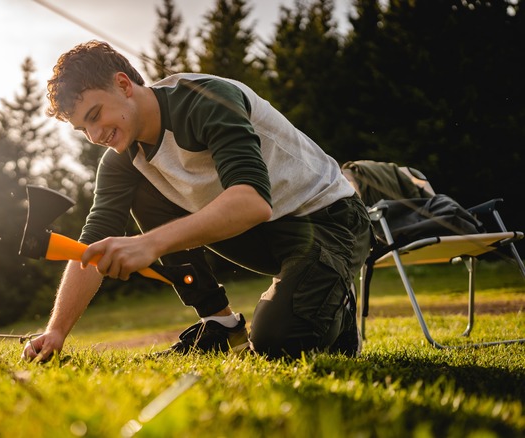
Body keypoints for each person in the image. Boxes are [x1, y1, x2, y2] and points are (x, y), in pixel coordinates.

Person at [22, 40, 372, 362]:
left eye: (95, 115)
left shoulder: (206, 99)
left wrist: (149, 244)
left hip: (331, 221)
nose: (95, 136)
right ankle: (219, 325)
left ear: (124, 85)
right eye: (83, 129)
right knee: (142, 189)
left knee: (276, 342)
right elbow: (91, 246)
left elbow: (252, 202)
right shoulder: (120, 160)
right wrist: (56, 331)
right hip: (263, 235)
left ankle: (336, 303)